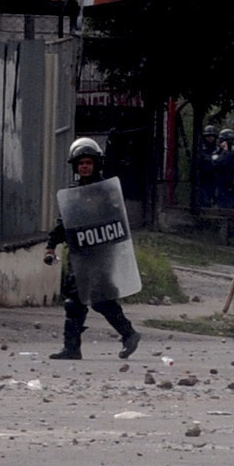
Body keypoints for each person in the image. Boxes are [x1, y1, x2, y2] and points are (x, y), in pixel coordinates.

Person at [44, 137, 142, 361]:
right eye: (81, 163)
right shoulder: (73, 194)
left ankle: (122, 335)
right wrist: (51, 246)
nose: (84, 167)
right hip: (78, 255)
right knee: (87, 301)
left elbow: (117, 224)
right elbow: (63, 225)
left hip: (100, 255)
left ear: (96, 164)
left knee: (89, 300)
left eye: (88, 162)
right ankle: (123, 335)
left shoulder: (106, 192)